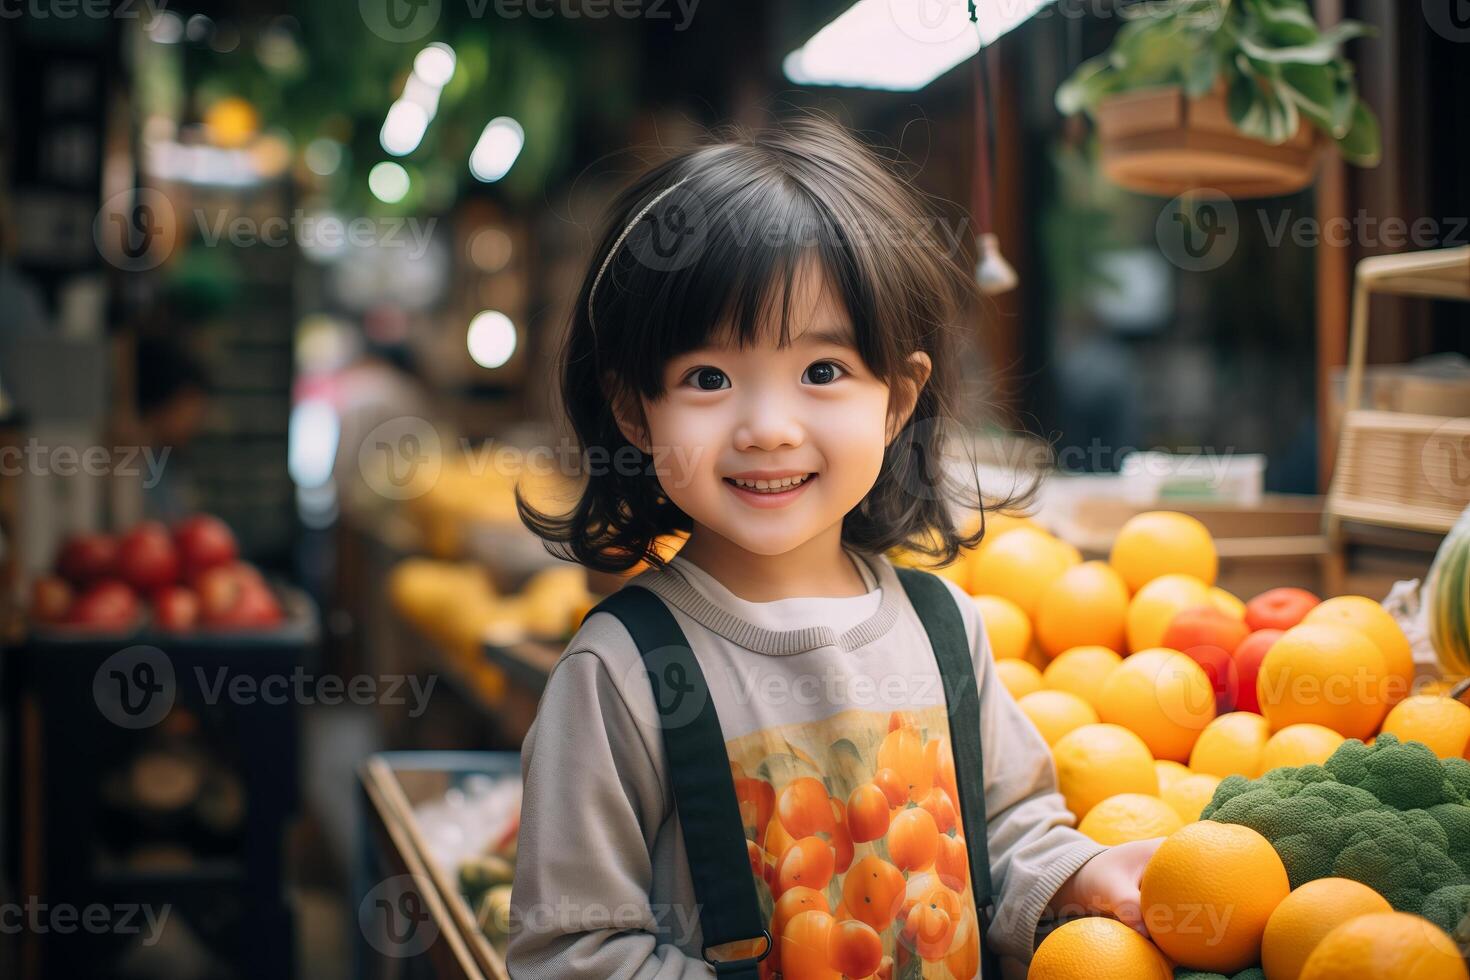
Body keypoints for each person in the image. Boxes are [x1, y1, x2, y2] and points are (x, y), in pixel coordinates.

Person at [509, 115, 1160, 980]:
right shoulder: (619, 675)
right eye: (709, 379)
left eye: (822, 372)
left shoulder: (944, 627)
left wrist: (1081, 875)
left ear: (897, 401)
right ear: (634, 410)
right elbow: (571, 949)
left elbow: (1004, 826)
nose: (770, 430)